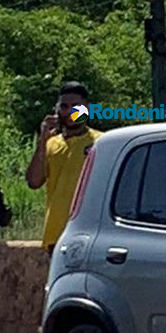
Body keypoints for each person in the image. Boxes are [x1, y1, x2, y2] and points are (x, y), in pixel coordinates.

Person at [26, 82, 102, 256]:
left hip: (89, 233)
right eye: (64, 106)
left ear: (87, 108)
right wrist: (42, 140)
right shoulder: (50, 144)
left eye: (76, 107)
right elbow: (34, 181)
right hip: (56, 233)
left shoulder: (101, 142)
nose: (69, 112)